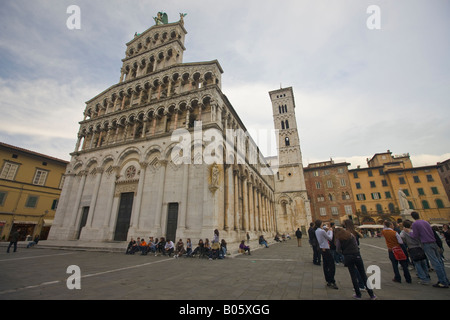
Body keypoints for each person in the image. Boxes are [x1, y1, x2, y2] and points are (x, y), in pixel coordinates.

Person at [409, 211, 449, 288]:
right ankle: (445, 280)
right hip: (434, 242)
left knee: (435, 263)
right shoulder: (426, 222)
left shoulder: (415, 224)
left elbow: (415, 235)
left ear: (412, 217)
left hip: (427, 244)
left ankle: (443, 282)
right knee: (440, 262)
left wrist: (409, 232)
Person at [334, 227, 376, 299]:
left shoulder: (339, 238)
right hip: (356, 255)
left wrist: (343, 252)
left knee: (353, 276)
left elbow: (338, 249)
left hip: (348, 257)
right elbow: (356, 244)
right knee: (363, 275)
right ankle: (372, 294)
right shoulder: (351, 235)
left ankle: (358, 295)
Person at [401, 220, 430, 285]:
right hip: (420, 247)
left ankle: (423, 279)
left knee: (417, 264)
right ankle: (427, 276)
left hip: (412, 248)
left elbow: (402, 238)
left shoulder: (403, 232)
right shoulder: (414, 230)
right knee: (423, 263)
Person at [315, 220, 338, 289]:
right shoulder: (321, 231)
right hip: (326, 249)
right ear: (320, 224)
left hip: (322, 248)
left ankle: (328, 280)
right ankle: (332, 281)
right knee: (331, 265)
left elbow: (325, 235)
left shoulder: (317, 231)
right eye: (322, 223)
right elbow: (330, 238)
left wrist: (327, 230)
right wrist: (330, 231)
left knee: (325, 265)